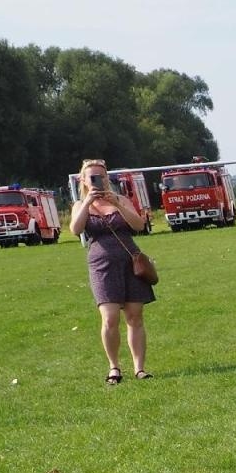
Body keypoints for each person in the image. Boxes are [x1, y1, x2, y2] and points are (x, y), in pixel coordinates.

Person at [69, 159, 155, 383]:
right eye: (93, 177)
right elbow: (75, 230)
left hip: (130, 261)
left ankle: (140, 368)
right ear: (84, 180)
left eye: (102, 176)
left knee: (135, 316)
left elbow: (138, 226)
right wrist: (88, 202)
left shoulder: (121, 199)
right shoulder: (80, 204)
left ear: (107, 178)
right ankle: (114, 367)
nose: (99, 180)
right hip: (101, 264)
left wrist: (117, 203)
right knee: (109, 318)